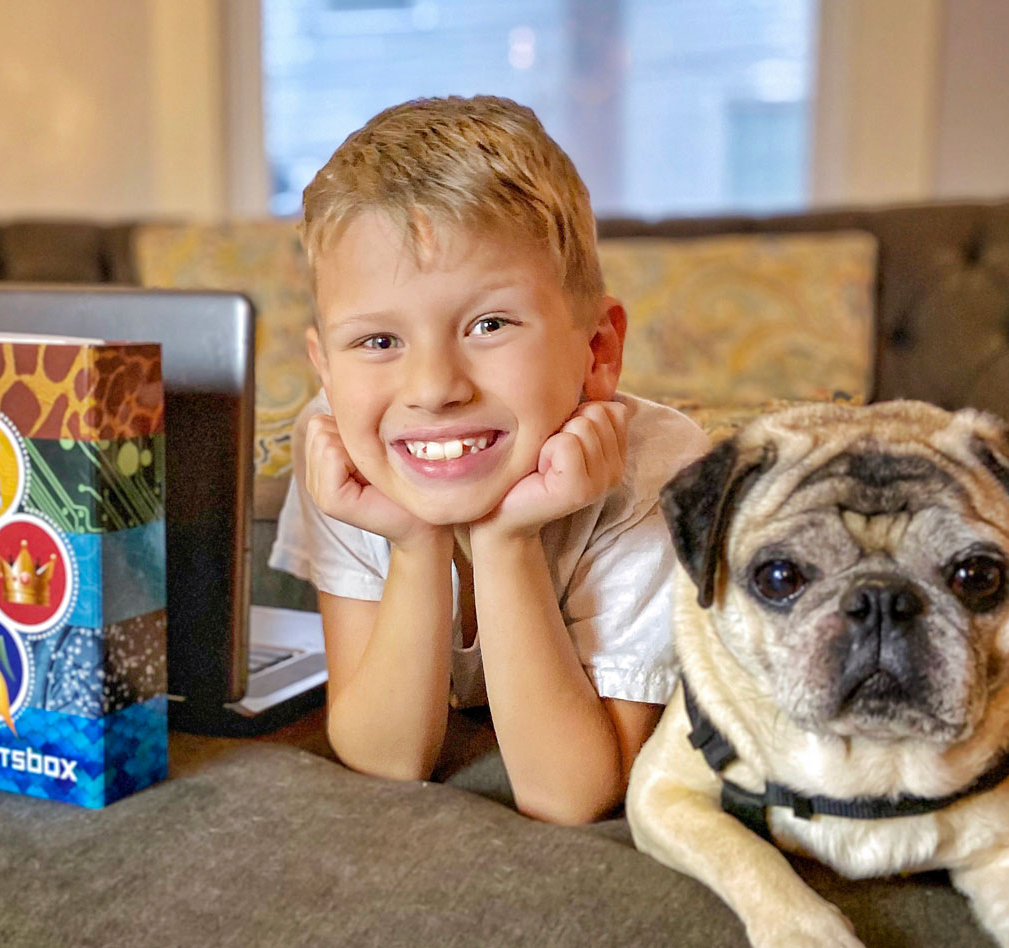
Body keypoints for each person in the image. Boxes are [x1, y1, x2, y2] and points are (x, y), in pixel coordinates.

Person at [269, 96, 712, 825]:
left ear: (598, 351)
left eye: (489, 324)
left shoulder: (658, 477)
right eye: (378, 342)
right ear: (325, 371)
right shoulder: (341, 448)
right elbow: (386, 759)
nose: (435, 389)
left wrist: (508, 542)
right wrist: (413, 544)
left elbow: (571, 795)